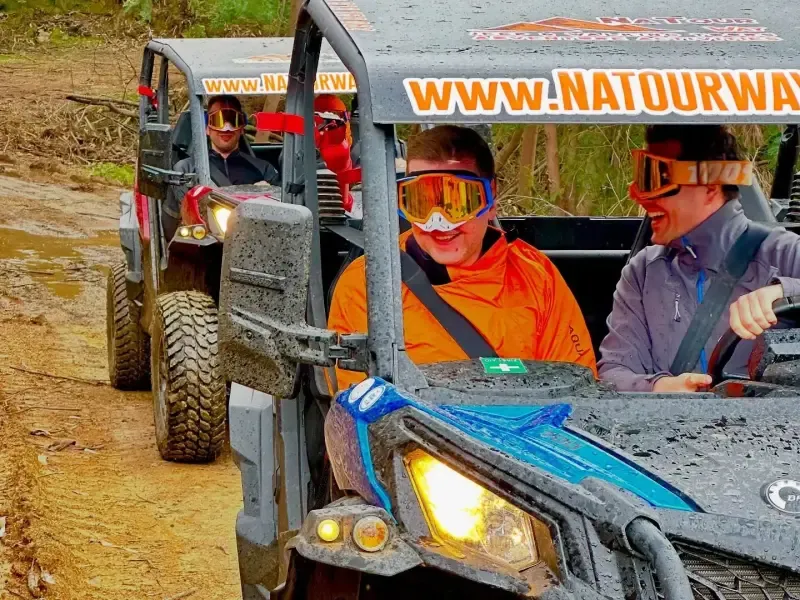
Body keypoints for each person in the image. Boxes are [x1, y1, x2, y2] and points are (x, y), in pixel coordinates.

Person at [327, 125, 596, 390]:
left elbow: (577, 389)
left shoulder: (537, 277)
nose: (439, 222)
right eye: (421, 202)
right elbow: (358, 400)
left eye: (458, 202)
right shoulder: (368, 283)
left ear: (490, 198)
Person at [598, 125, 800, 393]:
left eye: (656, 178)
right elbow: (613, 372)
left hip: (771, 421)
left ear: (709, 187)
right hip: (669, 420)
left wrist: (787, 292)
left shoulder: (786, 253)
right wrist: (659, 388)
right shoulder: (642, 272)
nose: (639, 197)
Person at [162, 94, 279, 239]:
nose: (226, 128)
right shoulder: (184, 171)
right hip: (203, 242)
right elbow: (171, 226)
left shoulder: (264, 170)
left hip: (255, 240)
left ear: (241, 128)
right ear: (207, 128)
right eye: (218, 121)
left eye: (233, 120)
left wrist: (266, 194)